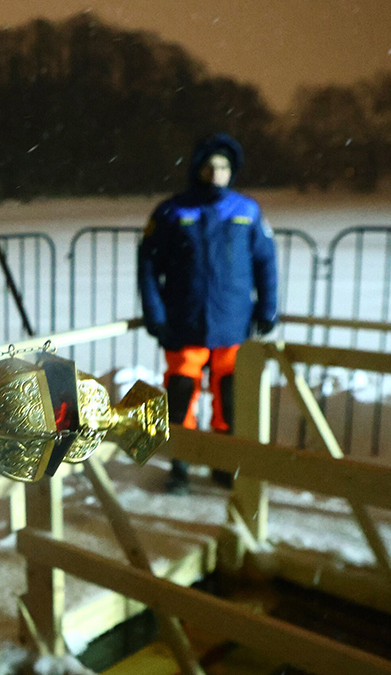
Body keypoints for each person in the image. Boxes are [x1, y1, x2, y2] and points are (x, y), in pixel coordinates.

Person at [137, 133, 278, 495]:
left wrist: (267, 307)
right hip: (184, 323)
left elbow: (265, 262)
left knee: (229, 397)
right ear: (198, 169)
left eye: (225, 167)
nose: (217, 173)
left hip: (233, 324)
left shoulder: (246, 210)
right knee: (181, 395)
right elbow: (149, 266)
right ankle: (179, 465)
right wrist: (155, 314)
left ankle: (223, 463)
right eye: (211, 166)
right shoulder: (172, 211)